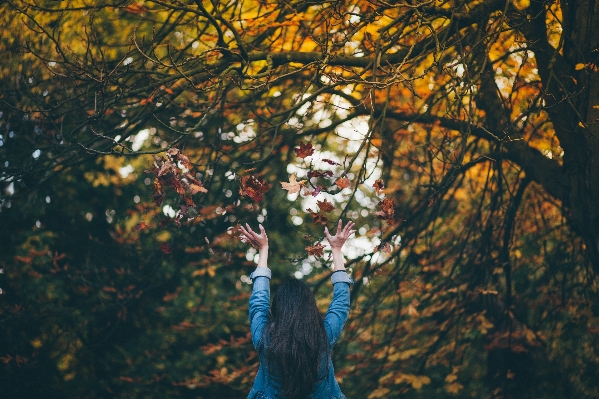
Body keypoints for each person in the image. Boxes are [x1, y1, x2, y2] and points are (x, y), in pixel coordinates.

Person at [239, 220, 356, 399]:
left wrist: (263, 250)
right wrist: (337, 250)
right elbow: (341, 303)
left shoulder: (264, 338)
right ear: (310, 308)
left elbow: (259, 301)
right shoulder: (323, 337)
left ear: (278, 309)